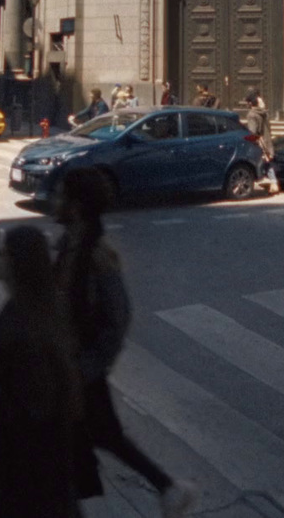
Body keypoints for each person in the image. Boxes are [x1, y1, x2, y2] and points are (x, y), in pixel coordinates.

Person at [54, 167, 199, 518]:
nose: (55, 201)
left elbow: (117, 319)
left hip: (80, 375)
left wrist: (88, 368)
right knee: (91, 444)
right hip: (69, 372)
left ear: (76, 206)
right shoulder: (69, 246)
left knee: (74, 451)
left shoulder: (97, 256)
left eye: (62, 195)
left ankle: (169, 488)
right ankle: (168, 488)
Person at [0, 226, 86, 518]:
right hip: (38, 479)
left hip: (16, 484)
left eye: (1, 252)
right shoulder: (40, 310)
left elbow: (23, 409)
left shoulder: (20, 329)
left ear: (16, 263)